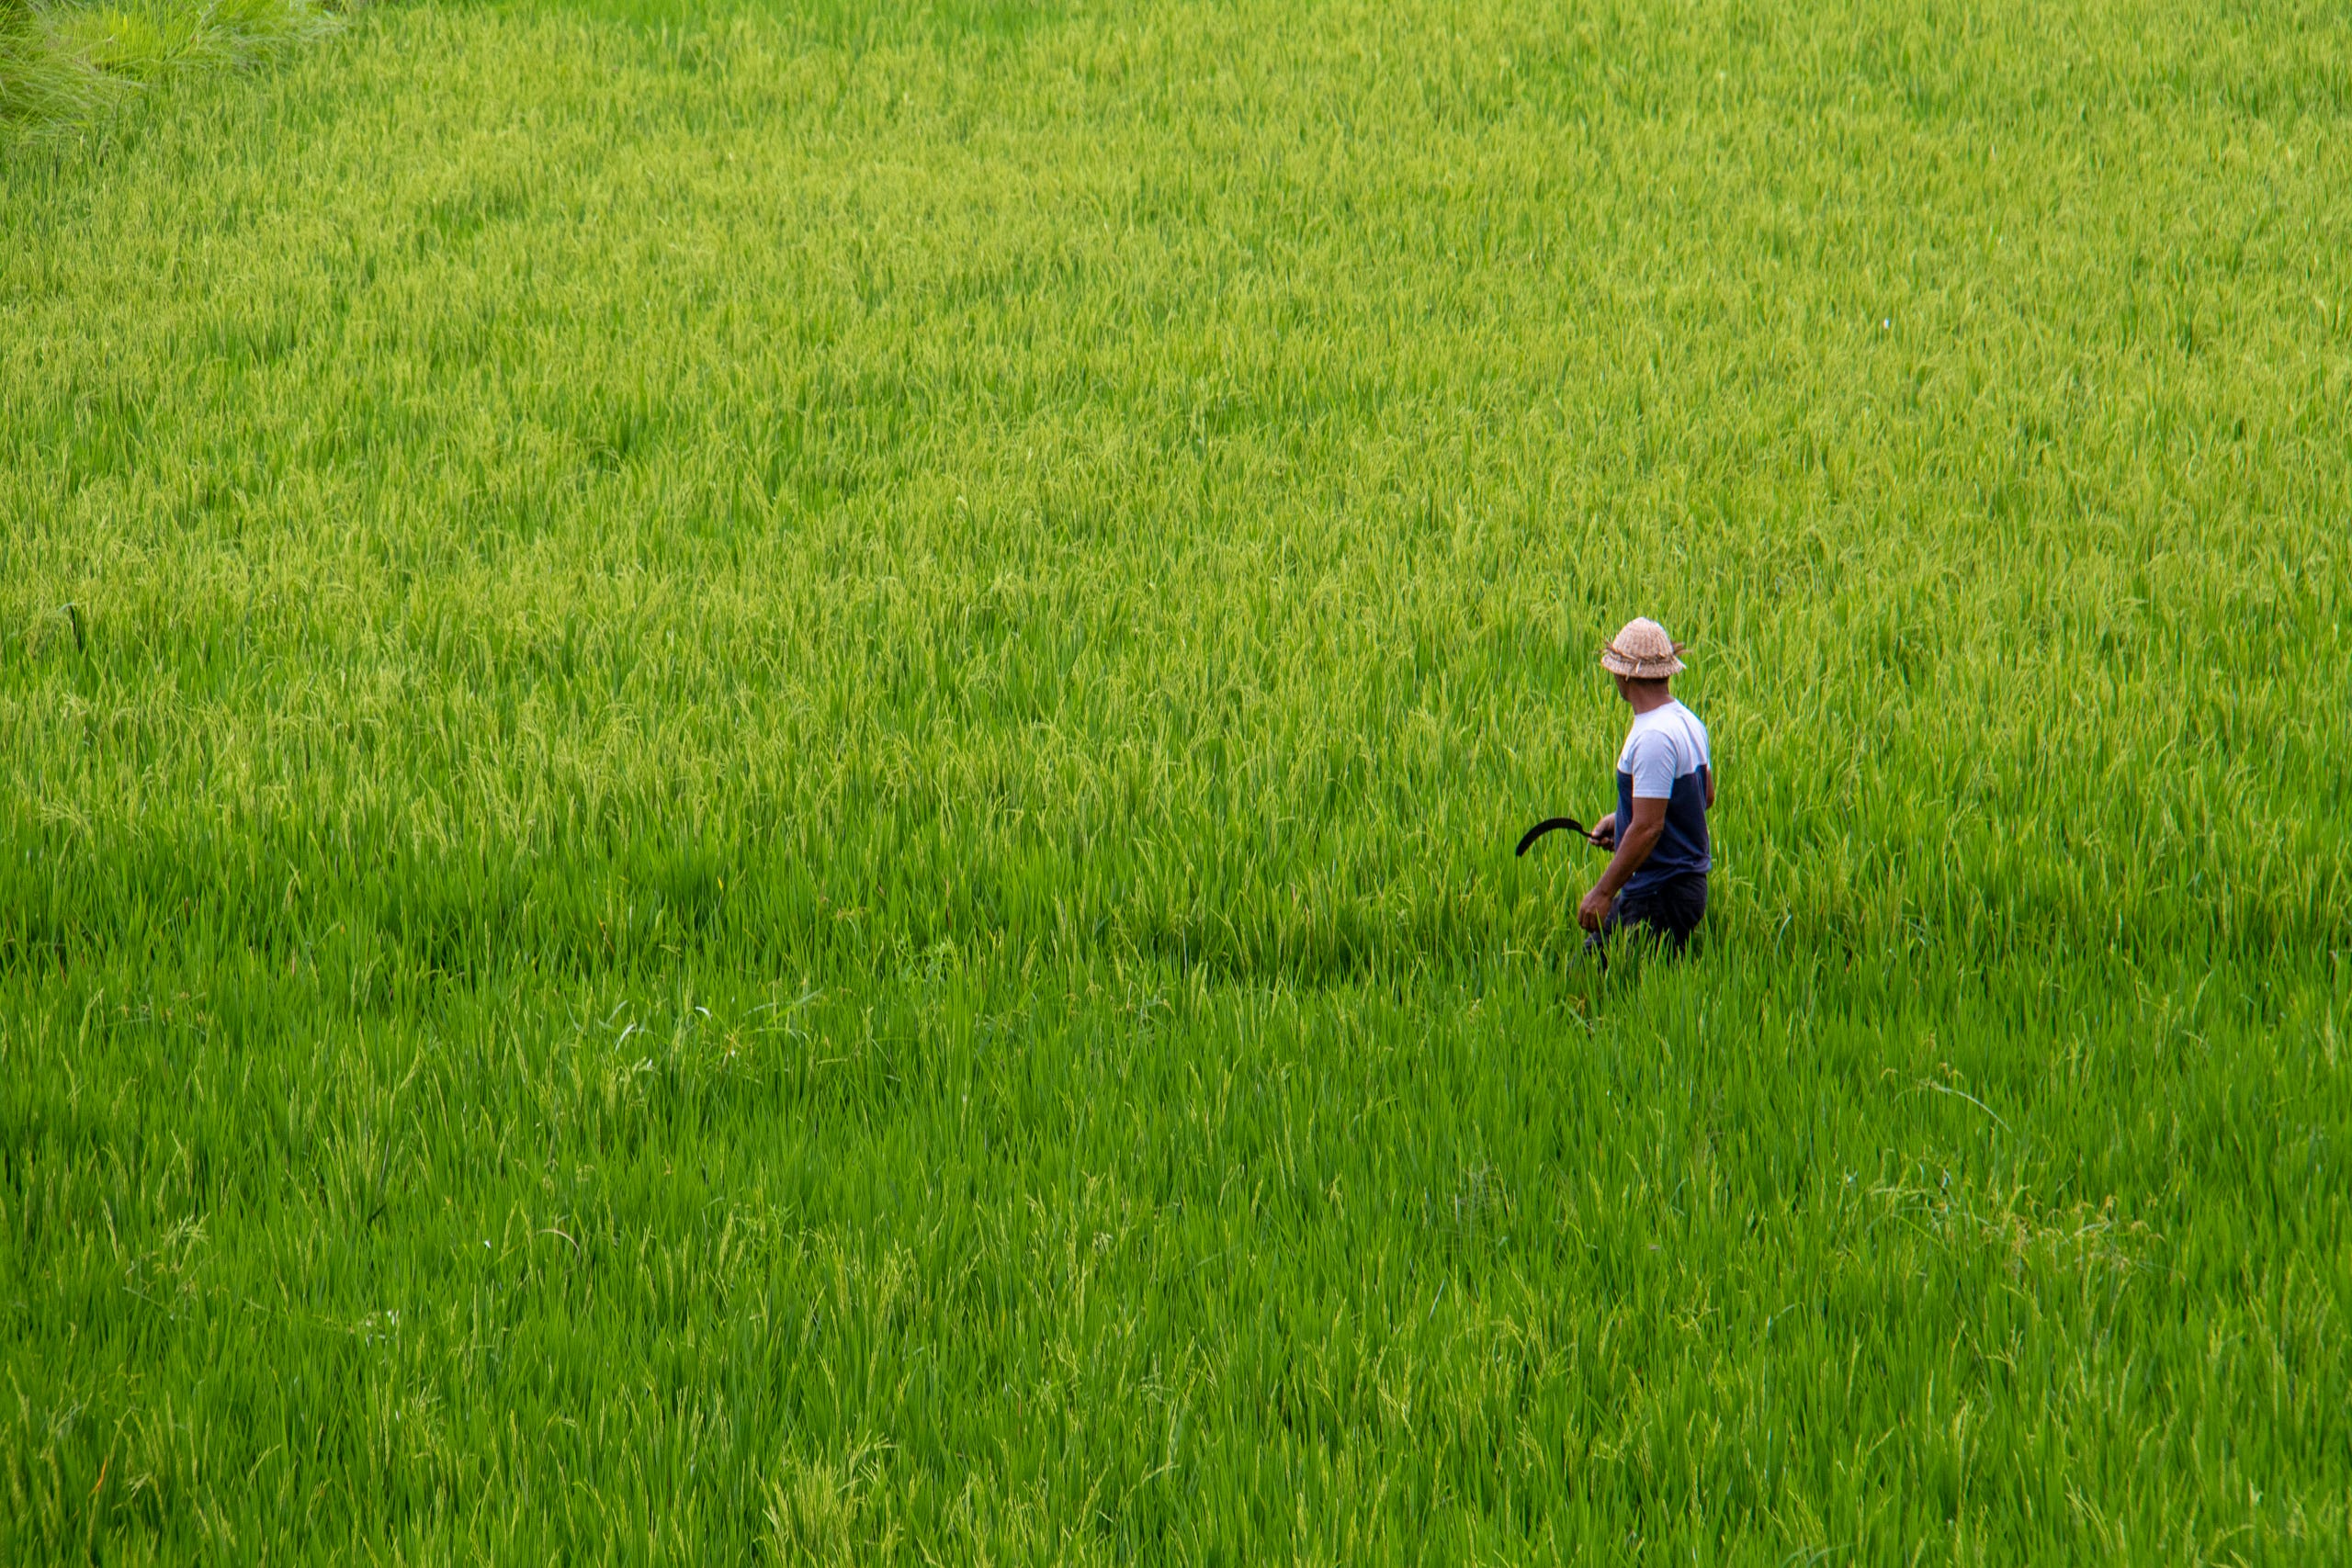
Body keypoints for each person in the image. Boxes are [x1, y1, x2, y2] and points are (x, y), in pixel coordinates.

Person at [1577, 617, 1714, 956]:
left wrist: (1602, 892)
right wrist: (1621, 820)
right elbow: (1704, 797)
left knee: (1603, 987)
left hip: (1659, 896)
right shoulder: (1687, 721)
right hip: (1681, 889)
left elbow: (1649, 826)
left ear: (1623, 675)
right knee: (1601, 975)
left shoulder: (1653, 736)